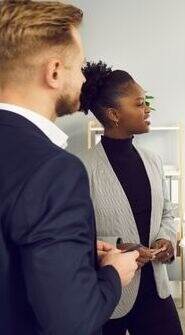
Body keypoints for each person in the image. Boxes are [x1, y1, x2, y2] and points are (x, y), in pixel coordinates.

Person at [0, 2, 139, 334]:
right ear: (54, 72)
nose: (83, 79)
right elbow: (73, 322)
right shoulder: (54, 171)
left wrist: (70, 252)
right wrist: (113, 273)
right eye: (79, 69)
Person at [80, 61, 183, 335]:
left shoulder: (153, 161)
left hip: (156, 288)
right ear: (114, 114)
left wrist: (166, 239)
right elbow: (76, 237)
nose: (147, 109)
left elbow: (167, 214)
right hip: (110, 294)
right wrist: (119, 248)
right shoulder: (82, 169)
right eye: (139, 104)